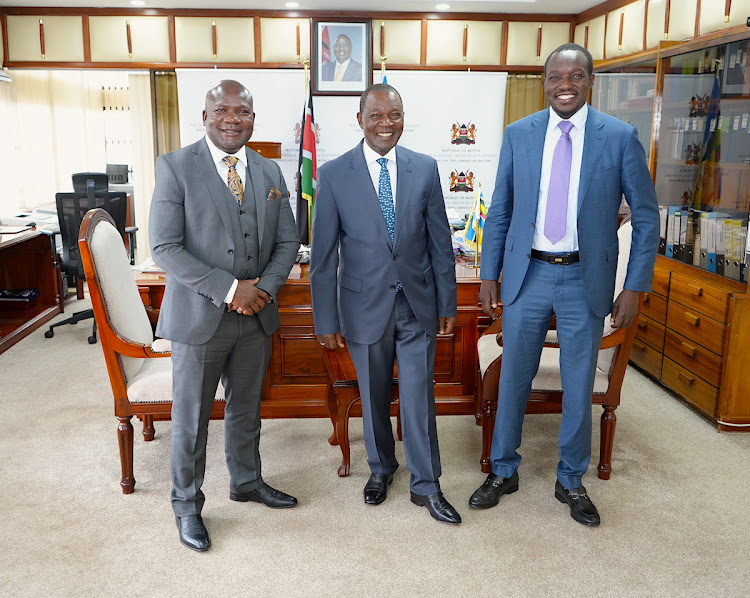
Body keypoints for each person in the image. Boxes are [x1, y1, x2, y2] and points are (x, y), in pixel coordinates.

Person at [468, 44, 660, 526]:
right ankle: (503, 470)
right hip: (528, 273)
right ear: (545, 82)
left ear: (589, 81)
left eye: (575, 76)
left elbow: (645, 215)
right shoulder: (519, 134)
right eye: (556, 76)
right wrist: (490, 273)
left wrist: (635, 285)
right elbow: (502, 209)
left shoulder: (619, 136)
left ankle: (571, 480)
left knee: (578, 385)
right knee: (514, 377)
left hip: (584, 277)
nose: (565, 84)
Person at [149, 80, 300, 551]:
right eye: (222, 109)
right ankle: (187, 505)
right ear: (205, 114)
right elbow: (165, 247)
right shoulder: (175, 166)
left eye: (242, 112)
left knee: (246, 407)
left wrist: (263, 291)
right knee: (191, 417)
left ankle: (247, 481)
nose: (232, 118)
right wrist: (232, 290)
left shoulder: (270, 171)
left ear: (254, 119)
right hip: (200, 317)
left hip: (255, 317)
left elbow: (288, 242)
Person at [310, 84, 461, 524]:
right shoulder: (336, 174)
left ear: (402, 117)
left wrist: (447, 303)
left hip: (418, 305)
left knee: (418, 396)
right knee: (373, 395)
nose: (385, 124)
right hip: (362, 306)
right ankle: (381, 468)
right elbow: (323, 256)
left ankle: (427, 484)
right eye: (376, 115)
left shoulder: (426, 168)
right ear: (360, 120)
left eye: (393, 115)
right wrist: (325, 318)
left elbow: (440, 243)